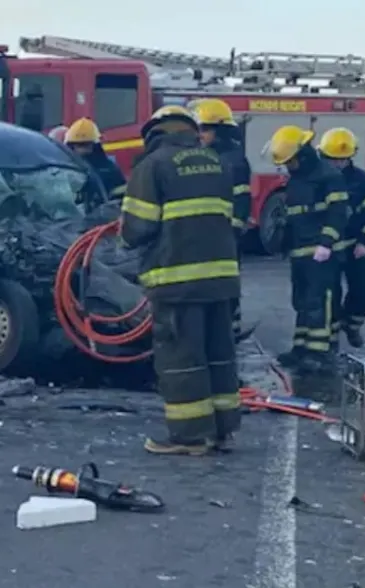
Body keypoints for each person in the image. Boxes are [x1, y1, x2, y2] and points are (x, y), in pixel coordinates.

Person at [120, 106, 241, 456]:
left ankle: (190, 437)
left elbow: (137, 228)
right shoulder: (217, 163)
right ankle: (221, 431)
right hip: (221, 280)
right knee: (218, 354)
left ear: (155, 132)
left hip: (177, 281)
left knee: (181, 358)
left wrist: (123, 234)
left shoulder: (153, 165)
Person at [266, 125, 349, 373]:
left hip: (320, 251)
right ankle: (301, 347)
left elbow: (338, 213)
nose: (287, 166)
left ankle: (319, 352)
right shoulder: (297, 178)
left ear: (302, 155)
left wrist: (326, 243)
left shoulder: (329, 176)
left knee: (318, 301)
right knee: (301, 300)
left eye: (290, 161)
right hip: (300, 250)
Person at [318, 128, 365, 349]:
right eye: (333, 159)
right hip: (326, 249)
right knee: (330, 295)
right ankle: (331, 340)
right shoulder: (317, 180)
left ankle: (352, 324)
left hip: (355, 246)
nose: (338, 164)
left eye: (343, 159)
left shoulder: (363, 181)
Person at [191, 98, 250, 341]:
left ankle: (230, 331)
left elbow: (241, 200)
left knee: (225, 283)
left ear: (221, 130)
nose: (201, 134)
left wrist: (232, 232)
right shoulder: (208, 156)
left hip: (225, 234)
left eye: (206, 129)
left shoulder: (233, 160)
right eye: (200, 129)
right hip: (210, 232)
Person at [64, 118, 127, 198]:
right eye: (79, 145)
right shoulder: (65, 168)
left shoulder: (109, 169)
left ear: (95, 146)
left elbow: (121, 194)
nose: (82, 150)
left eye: (85, 145)